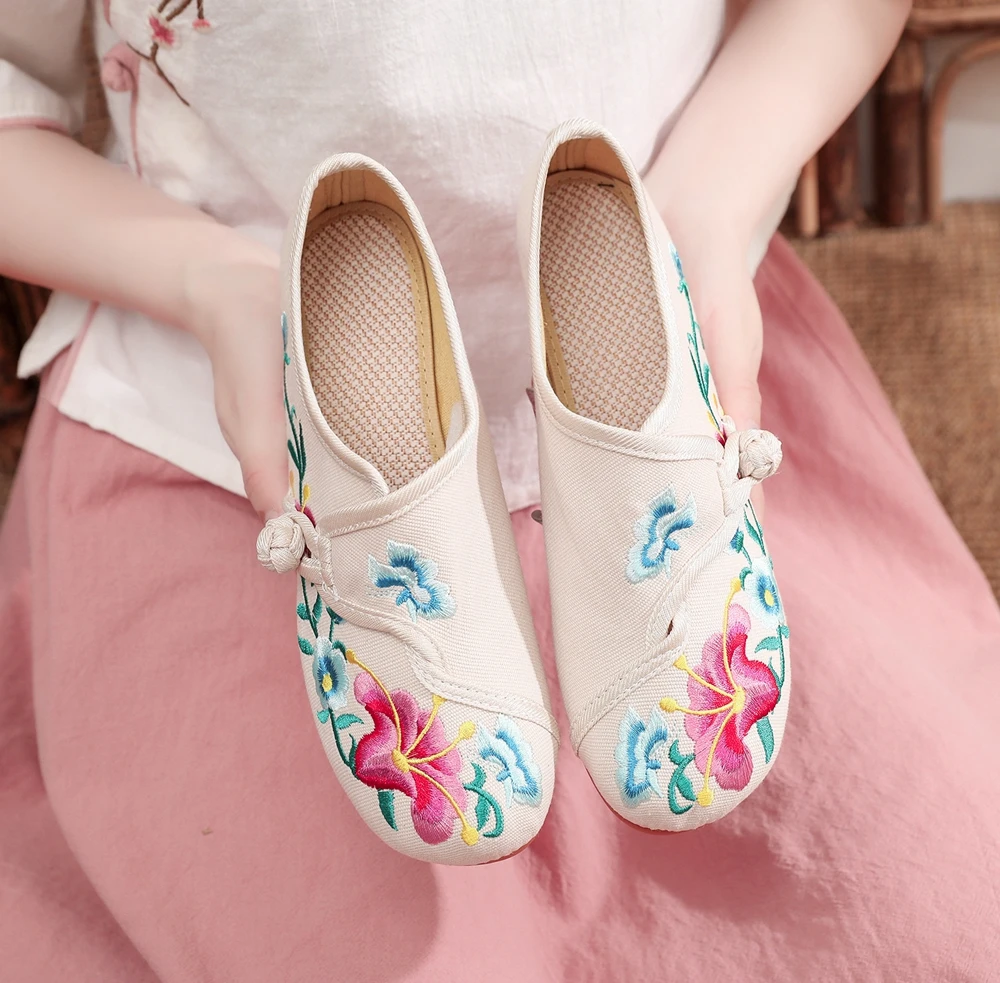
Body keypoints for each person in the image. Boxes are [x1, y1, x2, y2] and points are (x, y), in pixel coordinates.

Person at [1, 1, 998, 980]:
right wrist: (210, 282)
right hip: (213, 424)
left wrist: (705, 205)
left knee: (938, 902)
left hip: (674, 334)